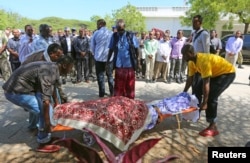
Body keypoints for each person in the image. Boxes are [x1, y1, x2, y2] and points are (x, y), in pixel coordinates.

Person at [2, 55, 74, 145]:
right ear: (64, 65)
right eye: (70, 67)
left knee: (41, 104)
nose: (71, 70)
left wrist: (57, 103)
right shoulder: (49, 72)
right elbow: (45, 102)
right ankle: (43, 139)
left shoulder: (53, 67)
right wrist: (48, 125)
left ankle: (33, 126)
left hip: (21, 88)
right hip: (15, 92)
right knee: (45, 111)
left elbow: (53, 86)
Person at [181, 44, 236, 137]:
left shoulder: (203, 61)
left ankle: (213, 126)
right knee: (196, 88)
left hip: (227, 73)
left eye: (185, 55)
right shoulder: (191, 62)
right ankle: (195, 113)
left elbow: (206, 83)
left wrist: (205, 102)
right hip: (214, 73)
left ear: (190, 53)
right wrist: (184, 92)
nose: (183, 57)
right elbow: (190, 79)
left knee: (211, 97)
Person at [107, 19, 139, 99]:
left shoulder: (131, 36)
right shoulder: (114, 36)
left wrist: (137, 61)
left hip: (129, 65)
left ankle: (130, 102)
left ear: (124, 27)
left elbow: (136, 49)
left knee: (129, 86)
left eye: (121, 29)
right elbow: (111, 49)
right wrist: (108, 62)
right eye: (118, 29)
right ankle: (118, 102)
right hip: (119, 66)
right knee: (118, 87)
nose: (120, 31)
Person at [91, 19, 114, 97]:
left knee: (100, 76)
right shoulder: (111, 33)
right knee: (110, 76)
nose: (97, 26)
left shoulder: (96, 33)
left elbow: (92, 46)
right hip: (109, 59)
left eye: (97, 24)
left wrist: (95, 54)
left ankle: (102, 93)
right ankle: (112, 93)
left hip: (99, 59)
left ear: (100, 24)